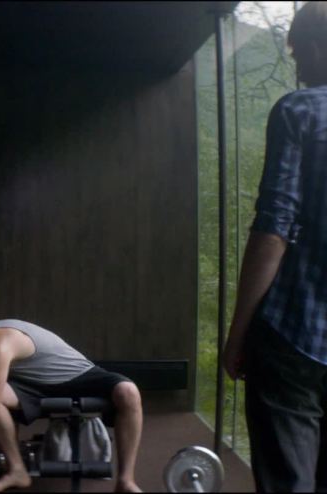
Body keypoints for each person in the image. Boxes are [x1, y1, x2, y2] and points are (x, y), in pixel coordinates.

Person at [222, 2, 327, 491]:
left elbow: (273, 230)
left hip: (293, 336)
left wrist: (239, 333)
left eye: (297, 50)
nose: (297, 62)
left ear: (316, 47)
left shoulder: (299, 111)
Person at [0, 296, 143, 492]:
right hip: (36, 386)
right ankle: (17, 470)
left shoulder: (0, 343)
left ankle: (126, 480)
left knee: (128, 392)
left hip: (78, 376)